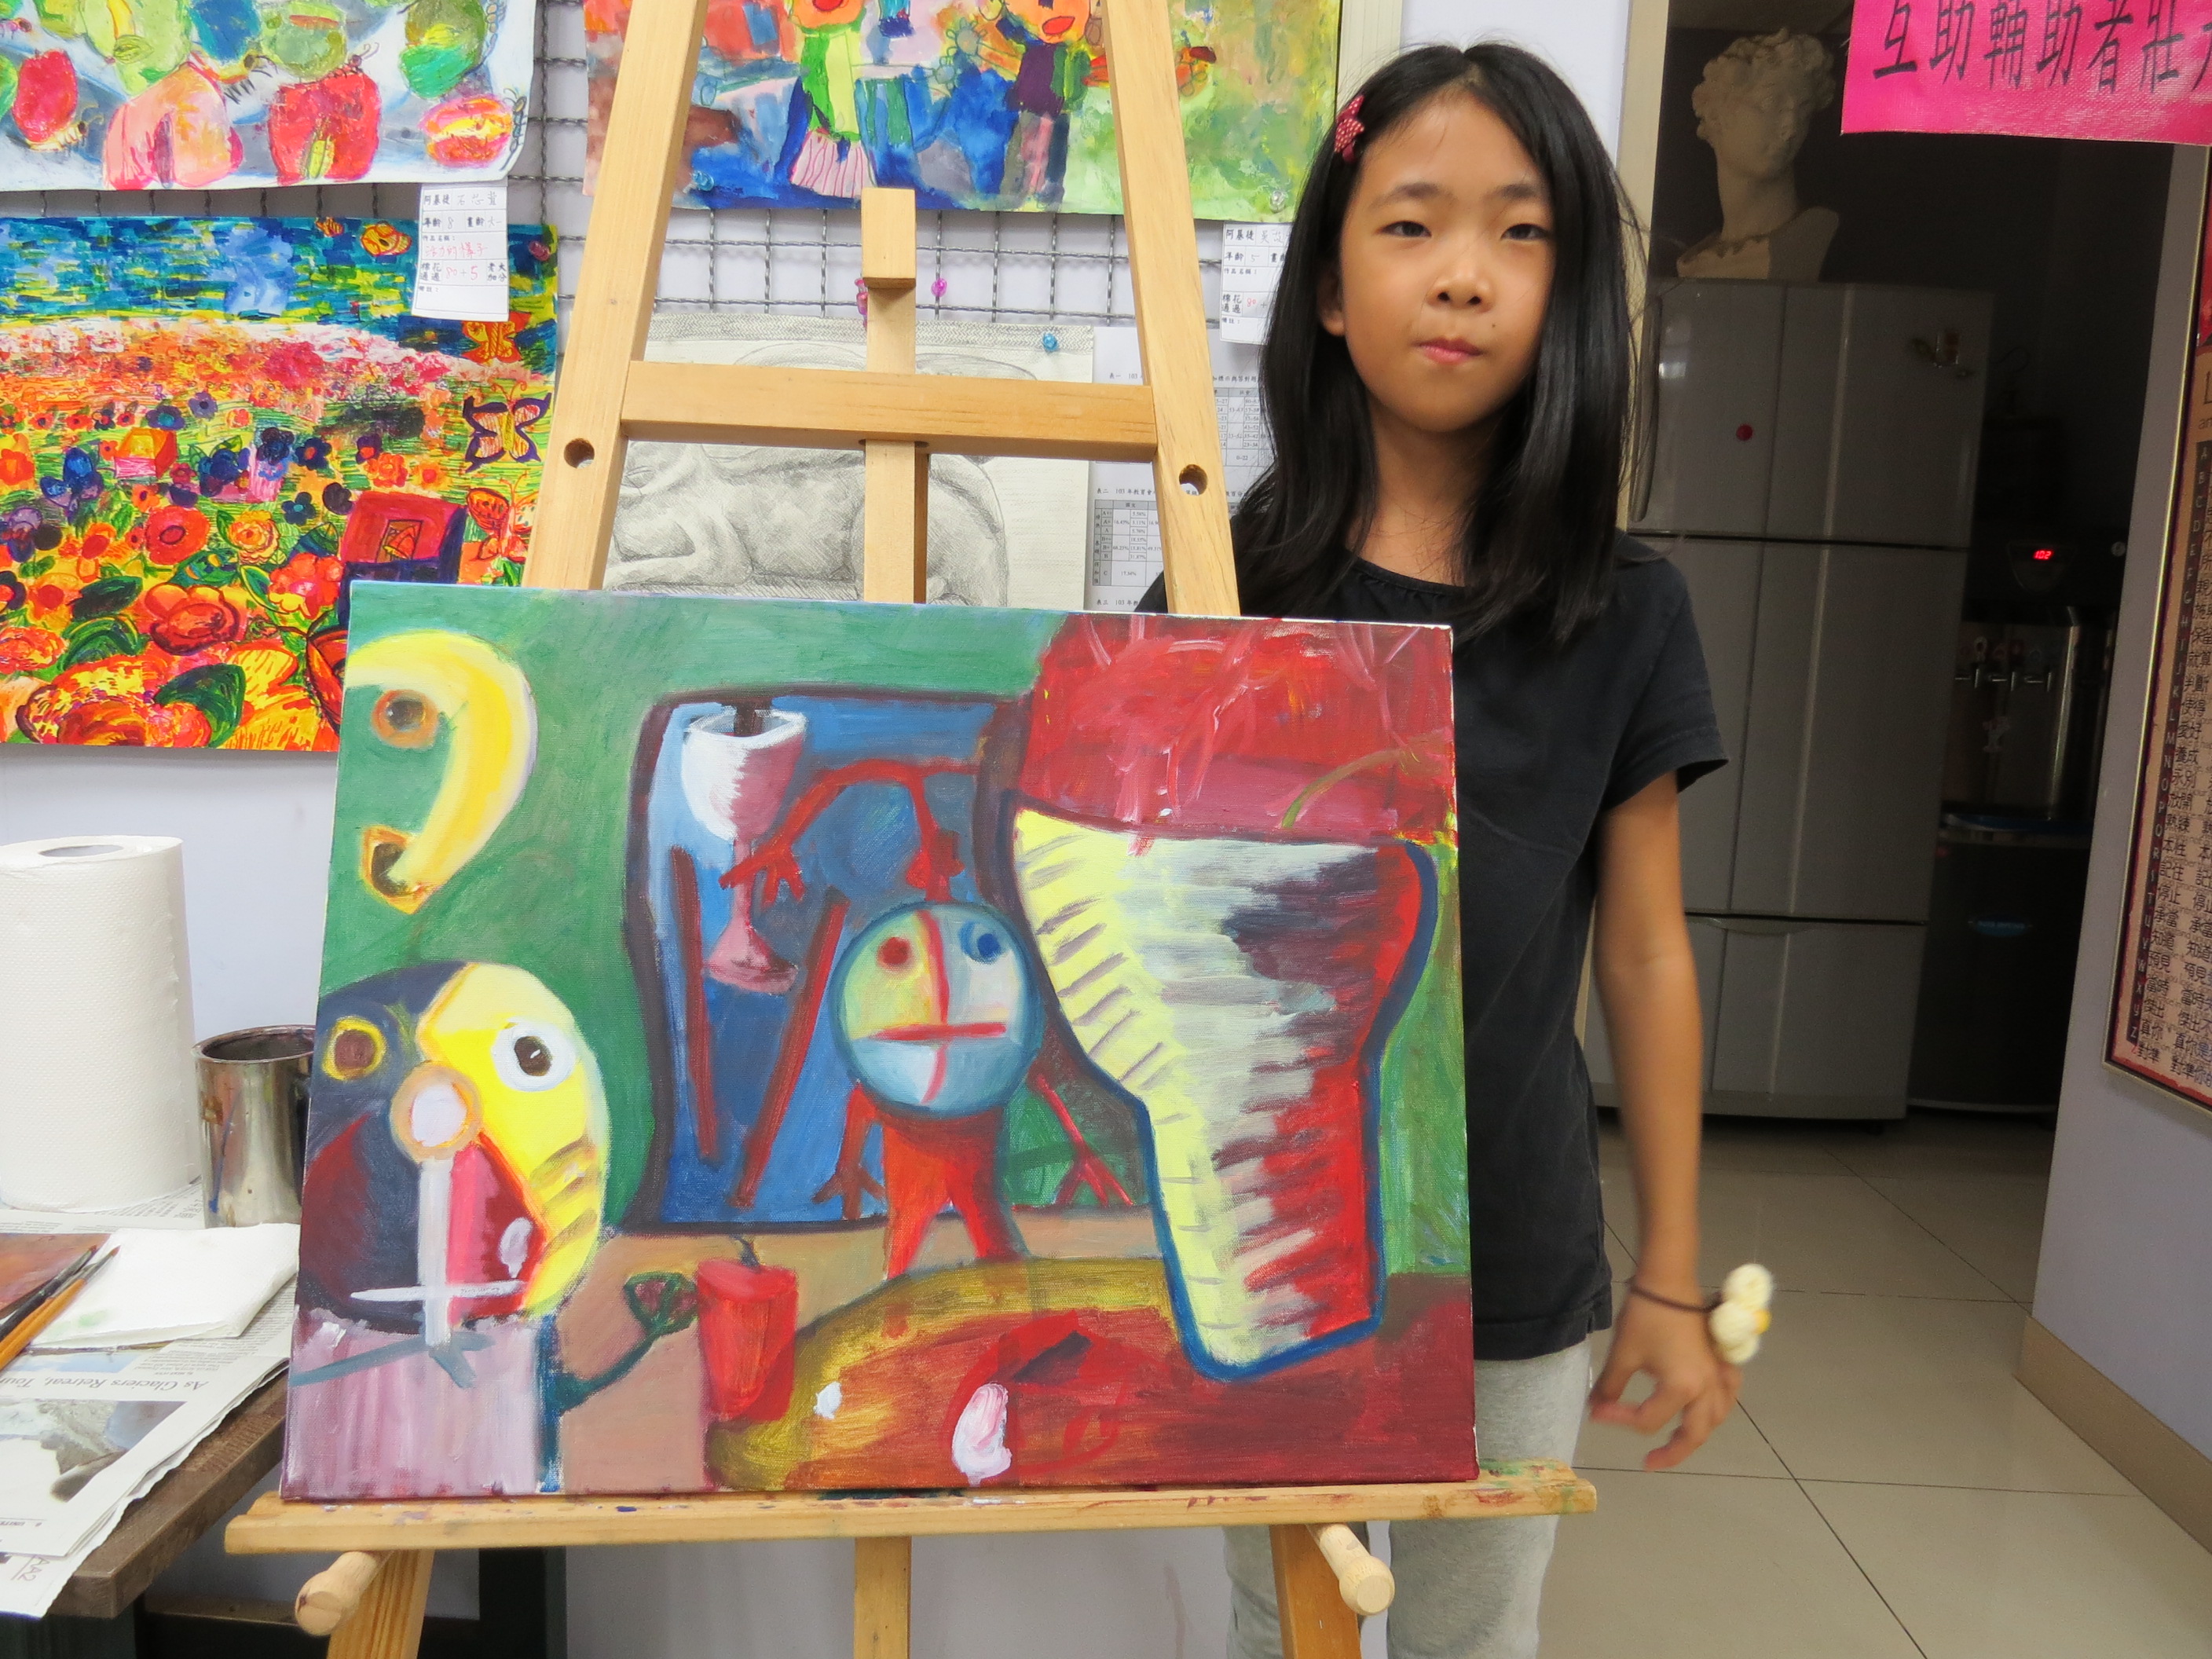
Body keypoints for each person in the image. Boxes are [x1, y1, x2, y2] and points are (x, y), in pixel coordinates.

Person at [1136, 42, 1740, 1659]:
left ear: (1569, 291)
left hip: (1514, 1254)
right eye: (1411, 224)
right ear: (1331, 287)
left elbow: (1646, 952)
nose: (1463, 274)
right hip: (1267, 1244)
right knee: (1289, 1629)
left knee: (1475, 1634)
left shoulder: (1627, 611)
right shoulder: (1221, 588)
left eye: (1519, 232)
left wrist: (1672, 1275)